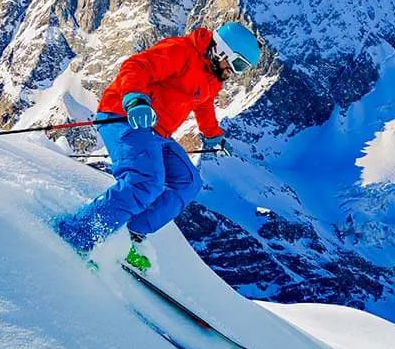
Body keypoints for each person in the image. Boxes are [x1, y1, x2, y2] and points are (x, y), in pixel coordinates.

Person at [55, 21, 262, 272]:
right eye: (238, 65)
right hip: (124, 116)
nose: (236, 73)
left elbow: (203, 104)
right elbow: (136, 66)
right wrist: (135, 99)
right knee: (145, 181)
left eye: (244, 70)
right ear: (222, 51)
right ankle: (79, 234)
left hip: (158, 132)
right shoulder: (181, 51)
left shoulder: (212, 77)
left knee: (188, 182)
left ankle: (132, 232)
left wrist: (213, 136)